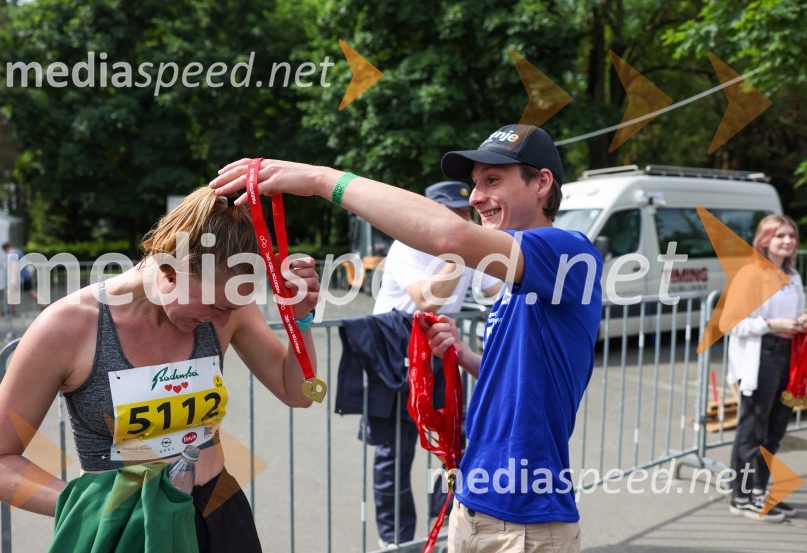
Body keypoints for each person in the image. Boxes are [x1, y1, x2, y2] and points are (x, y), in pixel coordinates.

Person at [210, 123, 603, 553]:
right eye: (475, 183)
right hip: (475, 507)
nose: (475, 197)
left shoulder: (568, 250)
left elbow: (449, 237)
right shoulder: (519, 275)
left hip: (525, 520)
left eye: (492, 180)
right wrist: (466, 355)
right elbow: (523, 377)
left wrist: (320, 179)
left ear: (542, 183)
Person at [0, 188, 320, 552]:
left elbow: (298, 393)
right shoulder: (67, 326)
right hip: (123, 524)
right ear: (170, 270)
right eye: (215, 305)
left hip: (218, 511)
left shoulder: (227, 309)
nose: (224, 319)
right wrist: (84, 505)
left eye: (232, 307)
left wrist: (300, 320)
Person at [371, 181, 501, 548]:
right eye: (450, 213)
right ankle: (395, 540)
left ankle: (444, 527)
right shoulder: (406, 246)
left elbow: (496, 288)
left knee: (451, 442)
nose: (459, 221)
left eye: (463, 213)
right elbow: (428, 300)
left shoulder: (467, 248)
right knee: (394, 451)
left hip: (440, 348)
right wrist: (460, 254)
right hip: (395, 350)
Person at [725, 214, 807, 522]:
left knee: (775, 429)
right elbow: (731, 322)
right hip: (761, 356)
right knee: (753, 429)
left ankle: (759, 490)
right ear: (764, 240)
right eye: (779, 235)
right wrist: (771, 324)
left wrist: (802, 321)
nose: (787, 241)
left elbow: (796, 312)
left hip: (789, 355)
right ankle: (741, 495)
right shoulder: (751, 274)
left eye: (791, 236)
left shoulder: (792, 275)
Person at [2, 241, 44, 313]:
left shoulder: (12, 254)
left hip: (19, 277)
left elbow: (14, 266)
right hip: (25, 275)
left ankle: (12, 310)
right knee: (30, 291)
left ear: (5, 249)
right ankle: (43, 303)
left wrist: (13, 279)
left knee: (10, 292)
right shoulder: (18, 251)